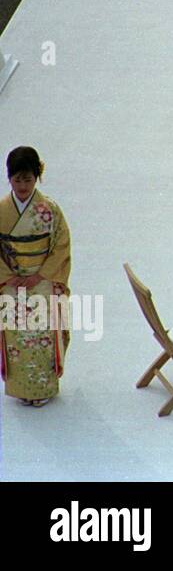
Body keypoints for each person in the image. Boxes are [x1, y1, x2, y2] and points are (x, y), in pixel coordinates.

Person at [0, 146, 72, 407]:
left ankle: (43, 386)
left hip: (42, 278)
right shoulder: (1, 210)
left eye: (27, 179)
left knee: (42, 332)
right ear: (9, 178)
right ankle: (20, 387)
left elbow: (61, 245)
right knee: (15, 334)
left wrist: (40, 275)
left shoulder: (49, 210)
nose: (22, 186)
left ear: (37, 177)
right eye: (17, 179)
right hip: (10, 280)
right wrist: (8, 276)